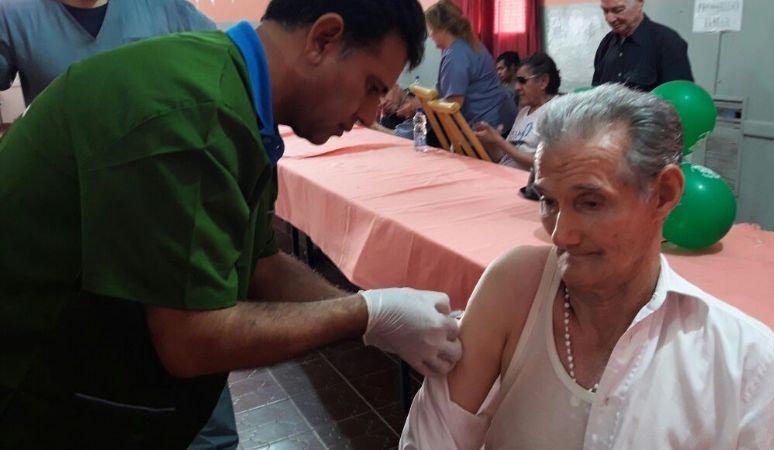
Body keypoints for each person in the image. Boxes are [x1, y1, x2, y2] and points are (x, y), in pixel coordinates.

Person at [0, 1, 464, 449]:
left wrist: (377, 314)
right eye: (371, 86)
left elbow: (262, 264)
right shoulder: (197, 111)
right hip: (33, 388)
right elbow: (191, 340)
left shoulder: (236, 94)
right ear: (323, 38)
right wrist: (369, 315)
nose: (369, 114)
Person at [400, 84, 774, 449]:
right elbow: (432, 440)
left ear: (664, 194)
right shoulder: (515, 289)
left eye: (590, 204)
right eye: (548, 202)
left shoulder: (744, 360)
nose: (560, 235)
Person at [0, 0, 217, 106]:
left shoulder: (163, 7)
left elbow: (219, 60)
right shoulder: (15, 14)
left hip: (150, 169)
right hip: (62, 176)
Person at [398, 1, 517, 142]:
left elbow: (453, 103)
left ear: (443, 29)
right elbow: (441, 89)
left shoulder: (456, 55)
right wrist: (415, 103)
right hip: (503, 118)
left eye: (432, 30)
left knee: (426, 132)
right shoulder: (464, 45)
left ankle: (394, 135)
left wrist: (421, 107)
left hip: (491, 126)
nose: (431, 36)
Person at [475, 52, 560, 170]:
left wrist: (499, 141)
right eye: (516, 81)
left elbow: (543, 164)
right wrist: (490, 142)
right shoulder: (523, 112)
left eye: (522, 81)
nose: (517, 87)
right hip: (504, 175)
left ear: (543, 81)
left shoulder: (557, 111)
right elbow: (503, 158)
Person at [592, 0, 693, 91]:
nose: (610, 19)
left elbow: (678, 97)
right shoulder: (606, 43)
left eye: (618, 10)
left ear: (640, 2)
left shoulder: (667, 42)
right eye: (605, 11)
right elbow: (596, 92)